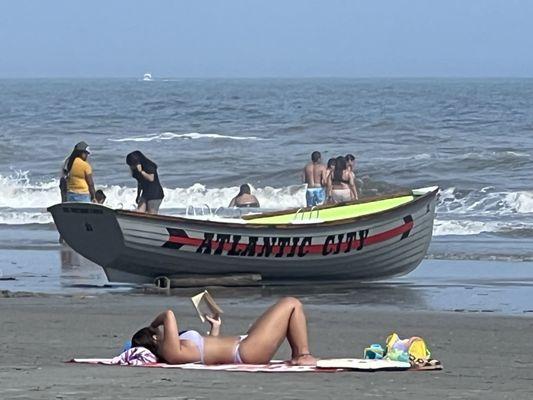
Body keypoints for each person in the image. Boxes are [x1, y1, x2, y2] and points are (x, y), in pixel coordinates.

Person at [131, 297, 317, 366]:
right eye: (156, 333)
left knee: (278, 313)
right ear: (154, 337)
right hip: (245, 351)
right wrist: (154, 324)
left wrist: (215, 329)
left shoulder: (175, 350)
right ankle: (302, 354)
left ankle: (298, 355)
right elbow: (168, 315)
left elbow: (207, 352)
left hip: (244, 346)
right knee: (291, 303)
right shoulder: (170, 352)